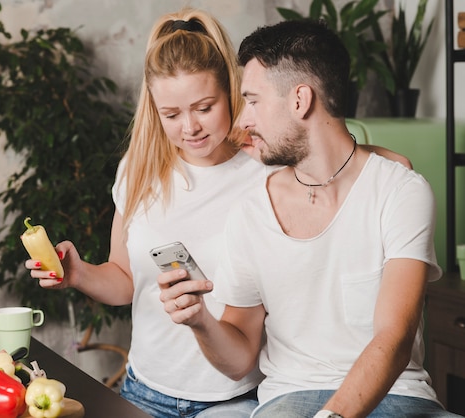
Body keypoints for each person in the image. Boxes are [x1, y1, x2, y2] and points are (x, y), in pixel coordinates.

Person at [26, 10, 413, 418]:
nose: (189, 127)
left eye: (204, 107)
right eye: (171, 115)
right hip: (144, 389)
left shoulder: (268, 165)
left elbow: (390, 165)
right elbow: (125, 280)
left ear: (231, 92)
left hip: (236, 398)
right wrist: (78, 274)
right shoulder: (138, 170)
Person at [157, 19, 462, 418]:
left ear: (300, 100)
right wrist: (199, 319)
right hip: (291, 397)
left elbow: (395, 337)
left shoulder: (399, 190)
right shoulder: (251, 211)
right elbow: (239, 357)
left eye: (252, 100)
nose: (243, 121)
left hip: (399, 393)